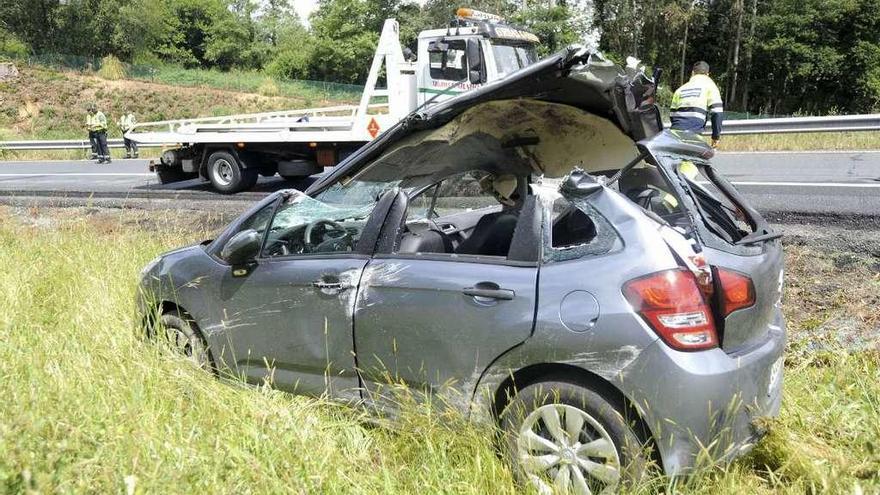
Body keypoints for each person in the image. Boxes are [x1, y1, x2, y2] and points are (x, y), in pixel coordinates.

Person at [670, 61, 723, 148]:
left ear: (692, 73)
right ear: (708, 74)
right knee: (691, 159)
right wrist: (716, 136)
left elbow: (672, 114)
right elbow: (717, 112)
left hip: (675, 131)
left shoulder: (680, 89)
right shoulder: (710, 86)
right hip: (694, 133)